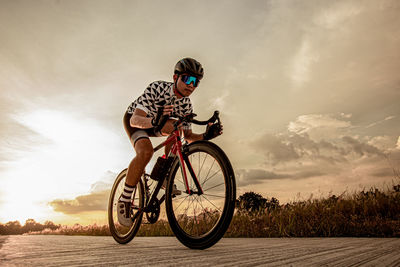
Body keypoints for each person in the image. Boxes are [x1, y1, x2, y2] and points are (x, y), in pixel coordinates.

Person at [118, 57, 223, 226]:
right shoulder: (157, 88)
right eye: (187, 78)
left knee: (178, 128)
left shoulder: (186, 105)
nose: (191, 85)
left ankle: (165, 173)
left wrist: (206, 136)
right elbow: (135, 120)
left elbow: (188, 136)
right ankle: (125, 199)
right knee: (146, 152)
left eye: (196, 82)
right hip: (137, 120)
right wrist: (154, 121)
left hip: (158, 124)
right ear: (175, 77)